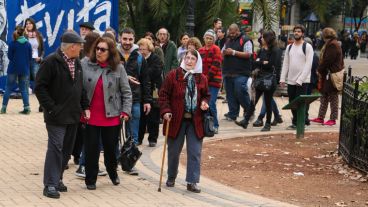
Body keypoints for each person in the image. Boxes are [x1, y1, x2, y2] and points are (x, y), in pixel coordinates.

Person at [34, 31, 89, 199]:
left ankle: (57, 179)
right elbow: (39, 87)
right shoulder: (51, 61)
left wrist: (85, 106)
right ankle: (50, 184)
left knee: (66, 149)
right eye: (79, 46)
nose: (81, 49)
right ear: (72, 47)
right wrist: (51, 108)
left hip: (73, 115)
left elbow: (80, 87)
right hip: (56, 116)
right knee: (55, 148)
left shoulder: (77, 62)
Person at [82, 37, 132, 190]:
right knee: (91, 149)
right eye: (97, 48)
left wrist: (126, 111)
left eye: (103, 49)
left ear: (110, 52)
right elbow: (78, 88)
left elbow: (127, 92)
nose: (99, 51)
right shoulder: (85, 64)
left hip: (111, 116)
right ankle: (90, 179)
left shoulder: (118, 68)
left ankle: (112, 172)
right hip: (90, 116)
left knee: (110, 149)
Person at [159, 49, 210, 193]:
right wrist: (166, 111)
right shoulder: (173, 75)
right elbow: (163, 95)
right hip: (176, 120)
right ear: (183, 59)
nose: (189, 61)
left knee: (195, 152)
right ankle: (171, 176)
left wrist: (205, 102)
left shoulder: (202, 78)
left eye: (192, 59)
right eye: (187, 58)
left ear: (197, 61)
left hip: (195, 121)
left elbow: (207, 95)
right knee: (174, 151)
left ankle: (192, 181)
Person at [236, 30, 282, 131]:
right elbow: (254, 62)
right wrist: (262, 62)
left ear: (267, 39)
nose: (260, 39)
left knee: (268, 102)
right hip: (260, 77)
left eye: (262, 37)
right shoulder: (262, 50)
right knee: (254, 101)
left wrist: (260, 62)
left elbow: (271, 65)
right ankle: (245, 121)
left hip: (269, 80)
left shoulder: (276, 50)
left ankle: (268, 124)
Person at [118, 27, 152, 148]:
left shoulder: (139, 57)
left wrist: (147, 101)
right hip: (115, 99)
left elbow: (146, 80)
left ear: (134, 40)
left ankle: (129, 162)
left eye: (130, 39)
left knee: (133, 136)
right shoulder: (112, 55)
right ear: (120, 38)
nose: (127, 42)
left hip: (134, 99)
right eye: (125, 39)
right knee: (113, 135)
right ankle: (113, 163)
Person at [279, 24, 313, 130]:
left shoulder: (307, 47)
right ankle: (295, 122)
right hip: (291, 80)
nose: (296, 33)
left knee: (300, 103)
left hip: (303, 81)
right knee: (292, 102)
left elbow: (308, 65)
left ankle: (301, 123)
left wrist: (300, 79)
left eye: (299, 31)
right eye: (295, 31)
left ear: (302, 34)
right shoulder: (289, 47)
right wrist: (282, 78)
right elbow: (286, 64)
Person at [310, 28, 343, 126]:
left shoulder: (332, 44)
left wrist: (319, 69)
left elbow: (328, 60)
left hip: (331, 74)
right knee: (324, 96)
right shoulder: (331, 43)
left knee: (333, 96)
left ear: (324, 35)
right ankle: (320, 117)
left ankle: (333, 119)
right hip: (328, 74)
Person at [222, 23, 253, 122]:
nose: (231, 35)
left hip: (241, 72)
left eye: (233, 33)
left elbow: (248, 54)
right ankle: (233, 114)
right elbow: (222, 52)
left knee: (240, 90)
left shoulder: (245, 40)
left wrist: (233, 52)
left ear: (238, 31)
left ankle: (249, 111)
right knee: (230, 94)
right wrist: (223, 53)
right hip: (228, 72)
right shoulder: (227, 41)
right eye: (230, 33)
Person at [137, 38, 163, 147]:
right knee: (141, 116)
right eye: (140, 49)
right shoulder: (138, 59)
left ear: (149, 49)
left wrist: (142, 74)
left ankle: (153, 138)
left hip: (154, 90)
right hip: (141, 90)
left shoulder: (155, 59)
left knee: (153, 116)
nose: (142, 51)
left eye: (144, 49)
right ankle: (139, 138)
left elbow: (154, 72)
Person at [1, 26, 32, 114]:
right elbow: (30, 58)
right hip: (24, 69)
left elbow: (10, 57)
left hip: (13, 69)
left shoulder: (12, 44)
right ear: (23, 33)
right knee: (23, 89)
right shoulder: (28, 44)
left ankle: (3, 108)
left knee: (8, 88)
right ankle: (27, 108)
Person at [198, 29, 222, 133]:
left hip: (214, 81)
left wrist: (206, 78)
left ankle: (215, 125)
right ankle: (207, 125)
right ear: (204, 39)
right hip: (203, 81)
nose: (208, 40)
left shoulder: (216, 49)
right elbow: (198, 66)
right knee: (204, 103)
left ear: (214, 40)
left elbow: (216, 64)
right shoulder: (200, 50)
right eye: (207, 38)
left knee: (211, 103)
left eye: (211, 38)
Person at [24, 18, 44, 86]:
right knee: (25, 79)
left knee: (37, 78)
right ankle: (26, 95)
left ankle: (40, 95)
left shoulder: (38, 35)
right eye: (27, 24)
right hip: (25, 60)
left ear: (33, 24)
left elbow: (42, 49)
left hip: (35, 60)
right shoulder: (23, 35)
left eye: (30, 23)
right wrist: (26, 35)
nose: (28, 25)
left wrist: (40, 58)